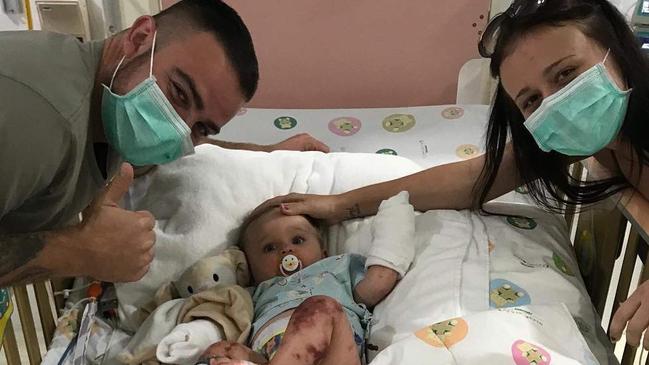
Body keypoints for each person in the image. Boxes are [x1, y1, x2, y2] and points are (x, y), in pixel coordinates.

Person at [260, 0, 649, 351]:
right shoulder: (583, 143)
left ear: (617, 47)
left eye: (566, 74)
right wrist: (343, 203)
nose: (557, 105)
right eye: (531, 100)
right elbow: (471, 180)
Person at [0, 0, 329, 288]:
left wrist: (265, 153)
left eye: (201, 127)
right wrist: (77, 252)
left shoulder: (113, 104)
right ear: (140, 38)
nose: (176, 129)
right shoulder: (38, 120)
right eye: (180, 93)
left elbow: (156, 154)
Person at [169, 192, 414, 365]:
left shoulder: (336, 268)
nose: (287, 251)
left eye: (298, 240)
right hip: (268, 358)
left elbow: (378, 283)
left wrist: (395, 220)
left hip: (334, 355)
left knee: (322, 308)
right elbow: (217, 314)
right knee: (220, 351)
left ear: (323, 252)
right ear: (250, 267)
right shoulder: (253, 294)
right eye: (269, 248)